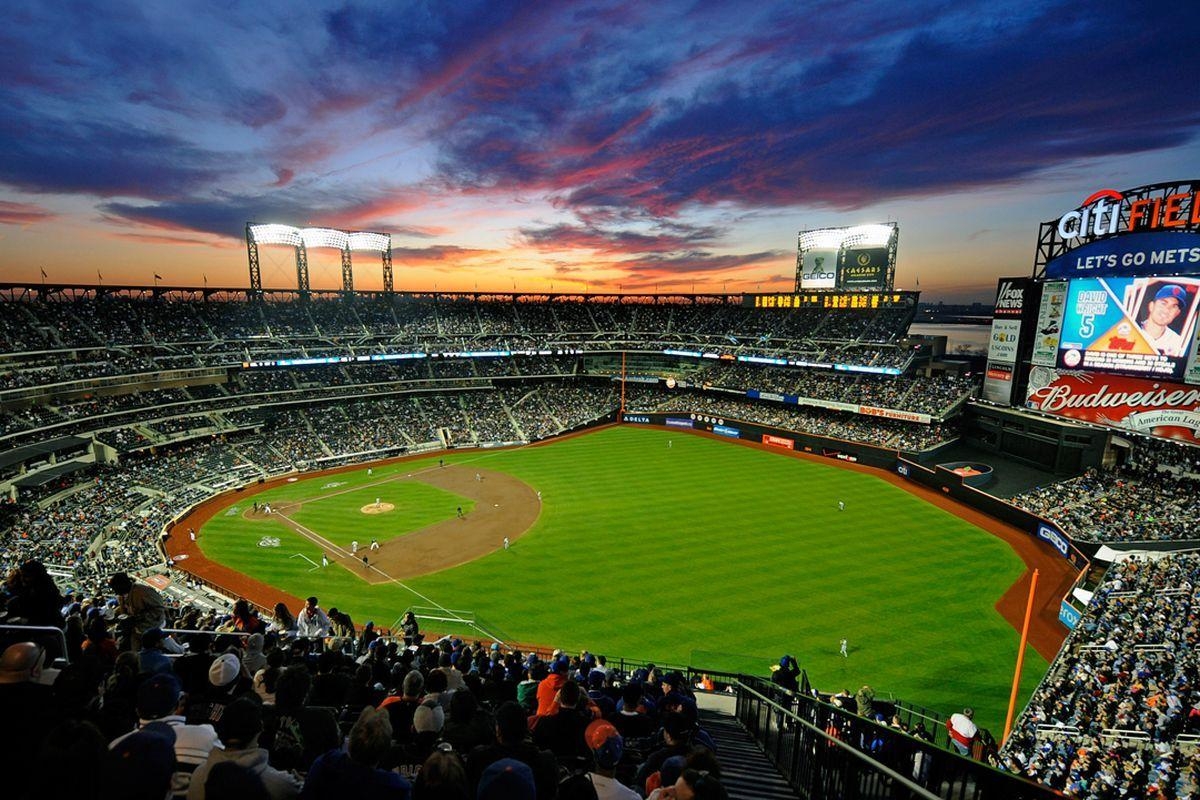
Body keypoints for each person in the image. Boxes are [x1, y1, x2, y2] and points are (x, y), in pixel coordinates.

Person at [109, 571, 167, 650]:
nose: (116, 592)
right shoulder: (122, 596)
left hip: (151, 627)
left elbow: (159, 608)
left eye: (116, 589)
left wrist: (136, 618)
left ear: (123, 585)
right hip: (136, 629)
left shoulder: (143, 592)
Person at [1139, 283, 1189, 355]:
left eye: (1174, 306)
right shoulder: (1133, 330)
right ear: (1151, 306)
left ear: (1177, 313)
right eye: (1163, 303)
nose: (1167, 310)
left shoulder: (1179, 343)